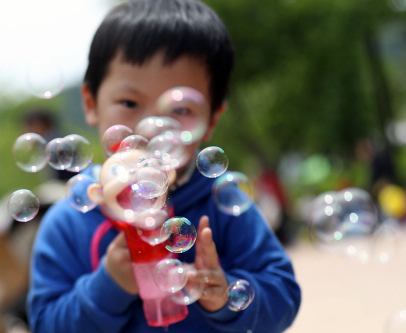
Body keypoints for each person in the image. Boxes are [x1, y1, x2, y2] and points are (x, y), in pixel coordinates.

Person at [27, 1, 301, 332]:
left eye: (179, 109)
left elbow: (283, 294)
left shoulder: (223, 203)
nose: (149, 126)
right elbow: (45, 324)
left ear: (210, 119)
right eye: (129, 103)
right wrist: (109, 286)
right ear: (90, 104)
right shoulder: (69, 221)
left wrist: (225, 294)